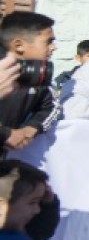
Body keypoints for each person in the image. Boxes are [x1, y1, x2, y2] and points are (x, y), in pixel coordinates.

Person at [0, 12, 59, 158]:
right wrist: (6, 134)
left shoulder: (38, 76)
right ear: (18, 45)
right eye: (48, 41)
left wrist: (32, 128)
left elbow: (51, 106)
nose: (54, 47)